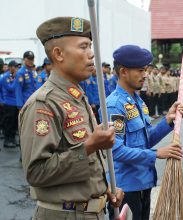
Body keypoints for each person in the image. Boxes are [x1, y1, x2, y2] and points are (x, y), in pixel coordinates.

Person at [19, 16, 124, 220]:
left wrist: (102, 192)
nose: (91, 54)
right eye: (84, 47)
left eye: (90, 46)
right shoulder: (44, 104)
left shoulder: (76, 97)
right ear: (58, 54)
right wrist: (89, 147)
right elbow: (36, 173)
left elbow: (86, 167)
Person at [105, 44, 183, 220]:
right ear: (124, 71)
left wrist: (167, 121)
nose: (145, 75)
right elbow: (116, 151)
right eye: (140, 71)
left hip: (143, 182)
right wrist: (157, 153)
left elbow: (146, 139)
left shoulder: (138, 102)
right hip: (125, 188)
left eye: (145, 70)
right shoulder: (114, 105)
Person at [1, 60, 19, 148]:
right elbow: (10, 88)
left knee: (14, 122)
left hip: (16, 103)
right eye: (15, 67)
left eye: (17, 67)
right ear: (10, 67)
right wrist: (16, 79)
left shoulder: (14, 76)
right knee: (8, 122)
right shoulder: (6, 76)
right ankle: (7, 140)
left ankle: (12, 138)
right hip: (8, 103)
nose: (16, 69)